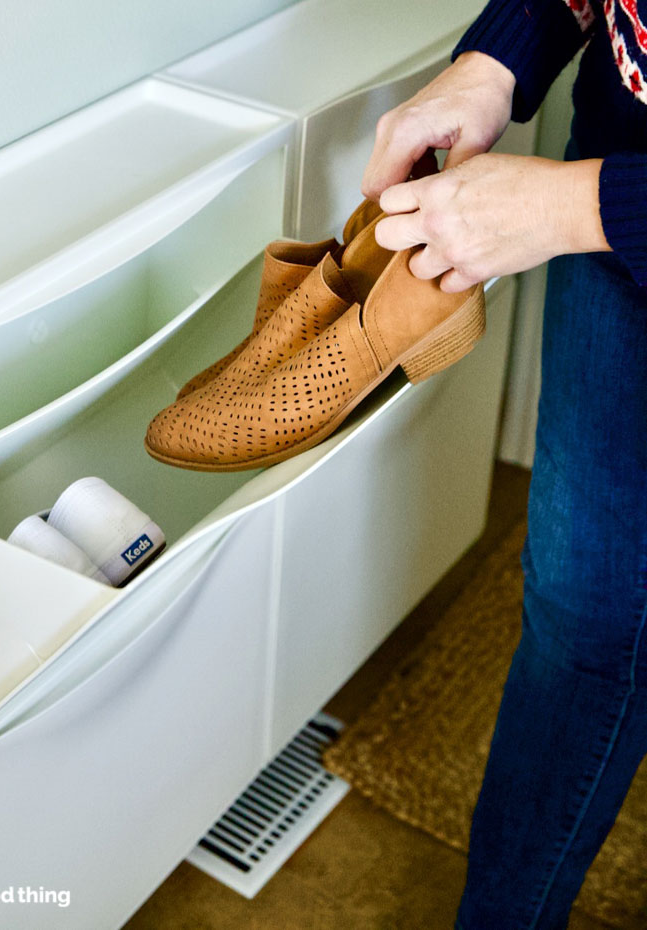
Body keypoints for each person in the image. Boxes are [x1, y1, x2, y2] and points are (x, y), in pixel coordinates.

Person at [362, 1, 647, 927]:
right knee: (581, 613)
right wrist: (495, 59)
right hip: (616, 196)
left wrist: (575, 204)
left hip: (607, 201)